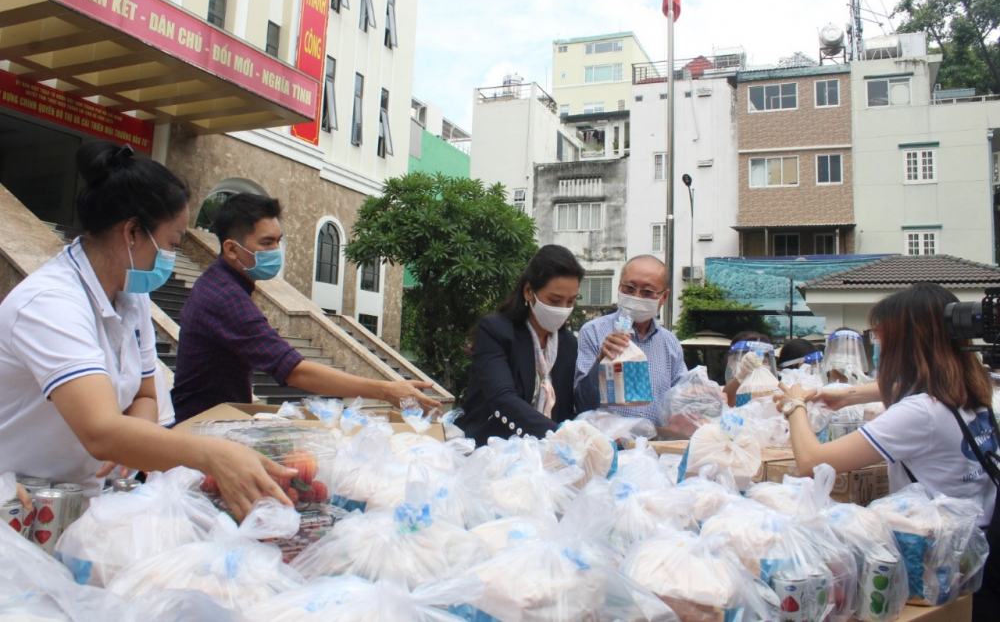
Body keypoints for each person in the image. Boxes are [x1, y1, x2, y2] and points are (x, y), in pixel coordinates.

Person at [0, 142, 294, 520]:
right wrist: (212, 453)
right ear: (133, 232)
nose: (172, 256)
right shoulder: (50, 303)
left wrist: (132, 444)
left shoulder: (129, 294)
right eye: (172, 243)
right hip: (23, 505)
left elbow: (144, 392)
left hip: (85, 502)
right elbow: (101, 430)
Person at [776, 283, 999, 619]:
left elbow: (813, 462)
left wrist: (794, 404)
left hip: (934, 562)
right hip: (975, 549)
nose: (877, 345)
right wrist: (848, 395)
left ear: (907, 343)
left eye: (880, 337)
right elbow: (902, 387)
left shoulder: (921, 412)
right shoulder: (973, 387)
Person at [171, 194, 438, 424]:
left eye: (278, 240)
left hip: (214, 424)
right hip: (201, 432)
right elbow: (293, 369)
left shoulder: (224, 286)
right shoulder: (224, 297)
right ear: (231, 249)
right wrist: (386, 390)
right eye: (266, 243)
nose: (276, 250)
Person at [457, 245, 589, 445]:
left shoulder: (568, 344)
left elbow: (565, 409)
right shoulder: (496, 331)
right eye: (554, 301)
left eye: (570, 302)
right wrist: (560, 435)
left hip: (546, 454)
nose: (563, 310)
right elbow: (502, 398)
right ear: (529, 291)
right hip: (492, 448)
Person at [575, 255, 686, 425]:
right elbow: (582, 402)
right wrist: (601, 363)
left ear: (664, 297)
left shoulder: (669, 343)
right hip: (606, 446)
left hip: (652, 446)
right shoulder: (594, 332)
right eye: (629, 288)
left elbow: (681, 401)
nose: (637, 296)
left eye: (647, 291)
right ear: (619, 287)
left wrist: (701, 394)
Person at [721, 331, 775, 407]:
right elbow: (727, 402)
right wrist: (741, 375)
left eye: (764, 362)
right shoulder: (721, 393)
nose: (756, 365)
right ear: (731, 361)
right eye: (747, 360)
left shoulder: (775, 388)